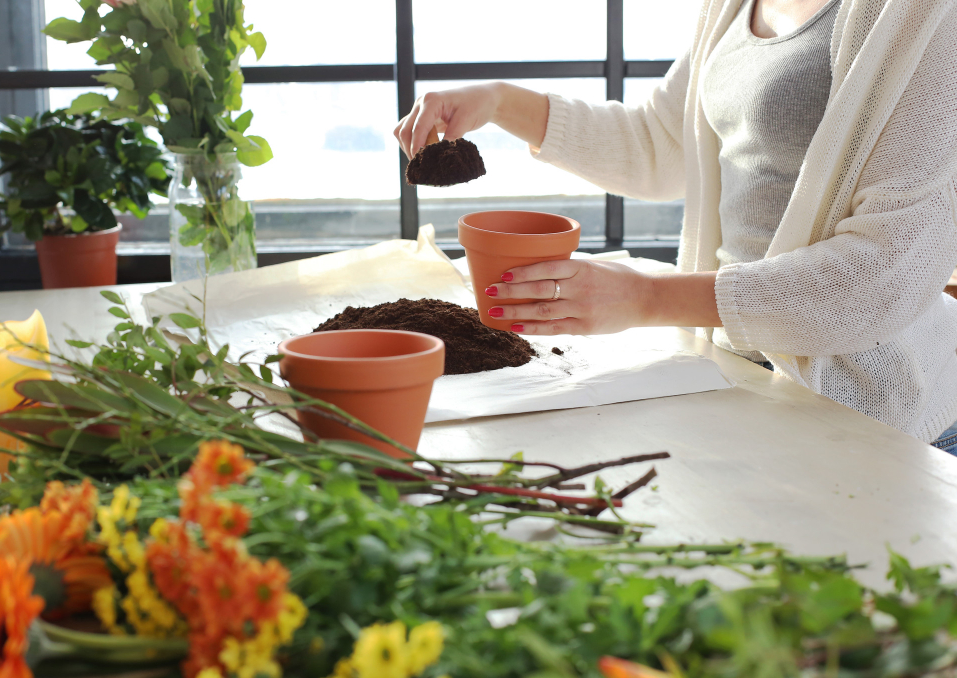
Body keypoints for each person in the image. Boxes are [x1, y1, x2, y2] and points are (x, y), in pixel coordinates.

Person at [394, 0, 957, 452]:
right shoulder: (731, 6)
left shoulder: (928, 15)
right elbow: (662, 145)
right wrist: (498, 101)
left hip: (880, 407)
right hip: (747, 371)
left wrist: (645, 298)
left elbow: (886, 274)